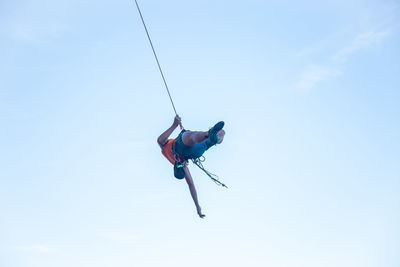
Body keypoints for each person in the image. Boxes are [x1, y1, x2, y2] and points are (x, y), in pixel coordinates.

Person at [157, 115, 225, 218]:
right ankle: (209, 134)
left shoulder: (184, 166)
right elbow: (160, 140)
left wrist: (198, 207)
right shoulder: (167, 151)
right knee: (191, 136)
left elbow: (191, 186)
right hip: (180, 146)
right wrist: (174, 125)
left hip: (194, 153)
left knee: (218, 136)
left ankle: (214, 138)